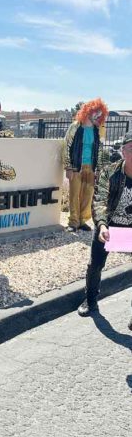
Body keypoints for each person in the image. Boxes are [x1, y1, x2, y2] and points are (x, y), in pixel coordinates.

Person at [77, 132, 132, 317]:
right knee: (96, 265)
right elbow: (99, 200)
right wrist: (101, 225)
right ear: (123, 151)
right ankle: (90, 300)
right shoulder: (109, 172)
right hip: (109, 227)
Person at [63, 98, 108, 232]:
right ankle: (73, 222)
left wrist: (99, 169)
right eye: (96, 113)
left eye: (101, 114)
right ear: (88, 111)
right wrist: (68, 167)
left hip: (91, 167)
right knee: (74, 195)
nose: (98, 116)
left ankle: (82, 221)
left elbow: (100, 149)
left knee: (88, 195)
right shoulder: (75, 127)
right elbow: (66, 146)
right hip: (76, 166)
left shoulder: (97, 130)